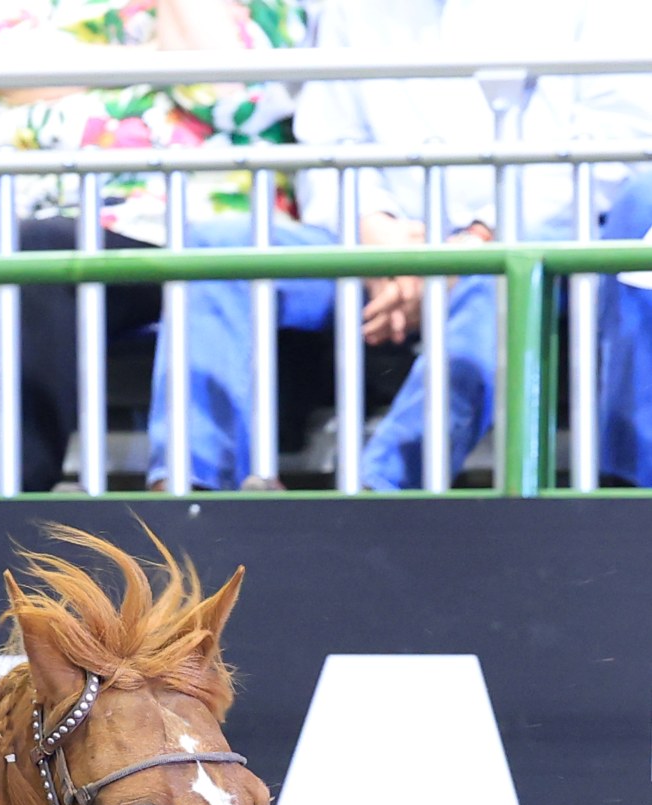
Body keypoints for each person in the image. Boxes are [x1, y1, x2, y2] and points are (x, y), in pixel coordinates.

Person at [154, 0, 652, 490]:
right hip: (382, 244)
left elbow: (616, 146)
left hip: (537, 239)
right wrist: (377, 232)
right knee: (222, 247)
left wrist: (479, 237)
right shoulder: (349, 10)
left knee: (503, 273)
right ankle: (191, 493)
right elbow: (329, 143)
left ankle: (383, 492)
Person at [0, 0, 301, 494]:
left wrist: (95, 64)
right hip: (9, 197)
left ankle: (22, 498)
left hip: (162, 216)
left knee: (38, 246)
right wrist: (151, 62)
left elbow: (230, 94)